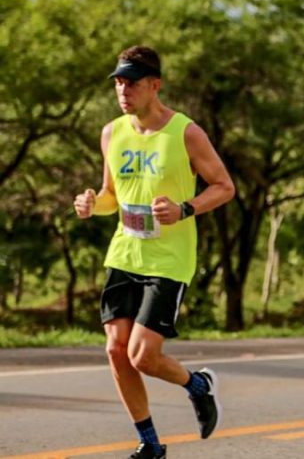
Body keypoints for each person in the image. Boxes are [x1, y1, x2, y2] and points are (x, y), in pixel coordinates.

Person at [73, 46, 235, 459]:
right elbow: (112, 195)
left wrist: (184, 209)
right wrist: (94, 204)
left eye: (131, 82)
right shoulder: (112, 132)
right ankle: (150, 443)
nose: (122, 90)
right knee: (115, 349)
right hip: (124, 253)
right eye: (118, 82)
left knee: (143, 355)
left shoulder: (185, 132)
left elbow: (224, 187)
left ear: (155, 85)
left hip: (169, 259)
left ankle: (198, 386)